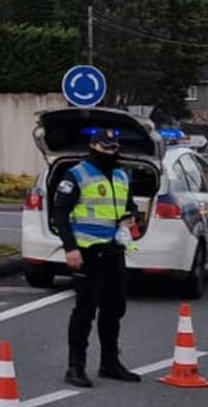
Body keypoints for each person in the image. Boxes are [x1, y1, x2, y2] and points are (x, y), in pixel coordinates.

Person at [52, 128, 142, 388]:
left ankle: (110, 363)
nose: (111, 152)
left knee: (115, 308)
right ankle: (75, 367)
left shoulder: (121, 175)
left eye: (114, 147)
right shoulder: (77, 174)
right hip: (87, 251)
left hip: (114, 251)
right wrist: (70, 248)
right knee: (85, 310)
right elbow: (60, 213)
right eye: (105, 147)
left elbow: (129, 206)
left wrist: (131, 217)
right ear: (93, 146)